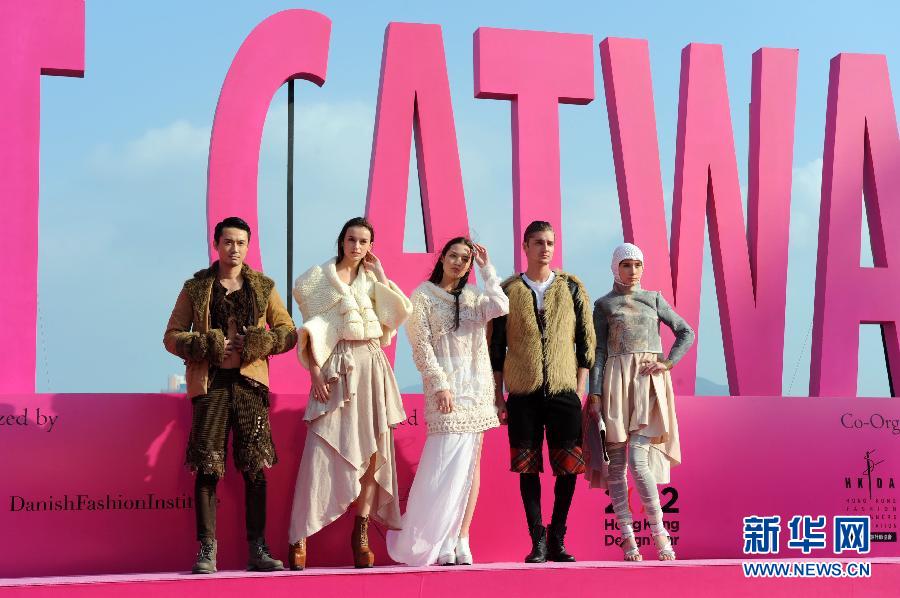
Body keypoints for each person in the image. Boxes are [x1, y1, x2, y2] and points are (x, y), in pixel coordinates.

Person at [163, 216, 298, 574]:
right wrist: (204, 344)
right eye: (228, 242)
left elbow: (288, 332)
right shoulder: (196, 287)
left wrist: (259, 341)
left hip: (250, 385)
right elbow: (172, 336)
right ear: (216, 245)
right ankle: (207, 549)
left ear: (248, 247)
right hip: (211, 384)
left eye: (240, 243)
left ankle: (258, 548)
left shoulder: (263, 286)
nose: (234, 249)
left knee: (255, 468)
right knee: (207, 468)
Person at [287, 216, 412, 570]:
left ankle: (361, 534)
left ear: (370, 246)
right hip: (337, 368)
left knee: (373, 454)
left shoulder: (372, 280)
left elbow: (397, 314)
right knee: (320, 452)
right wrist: (315, 373)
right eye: (351, 239)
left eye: (363, 241)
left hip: (373, 366)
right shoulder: (318, 281)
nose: (357, 246)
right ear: (341, 241)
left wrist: (382, 274)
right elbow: (312, 331)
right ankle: (300, 534)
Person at [386, 237, 508, 566]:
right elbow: (421, 347)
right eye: (453, 256)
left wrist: (487, 268)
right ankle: (437, 540)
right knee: (441, 467)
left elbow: (501, 306)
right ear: (442, 258)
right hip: (446, 393)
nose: (458, 262)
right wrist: (439, 384)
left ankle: (461, 537)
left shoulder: (474, 297)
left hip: (477, 390)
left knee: (470, 467)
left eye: (465, 259)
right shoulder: (423, 296)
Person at [489, 220, 596, 563]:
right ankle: (536, 539)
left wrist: (579, 388)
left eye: (549, 242)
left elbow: (586, 341)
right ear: (525, 246)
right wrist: (498, 396)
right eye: (538, 242)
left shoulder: (572, 288)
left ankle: (557, 538)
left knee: (569, 468)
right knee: (527, 468)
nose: (545, 248)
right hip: (523, 392)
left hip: (565, 390)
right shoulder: (508, 291)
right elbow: (496, 348)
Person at [585, 242, 695, 561]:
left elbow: (686, 332)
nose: (632, 271)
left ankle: (660, 535)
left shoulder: (654, 299)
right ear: (615, 267)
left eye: (637, 265)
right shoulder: (603, 305)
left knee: (638, 460)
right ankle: (627, 537)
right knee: (617, 465)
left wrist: (667, 363)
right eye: (626, 265)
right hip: (615, 384)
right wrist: (595, 393)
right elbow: (599, 352)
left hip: (647, 385)